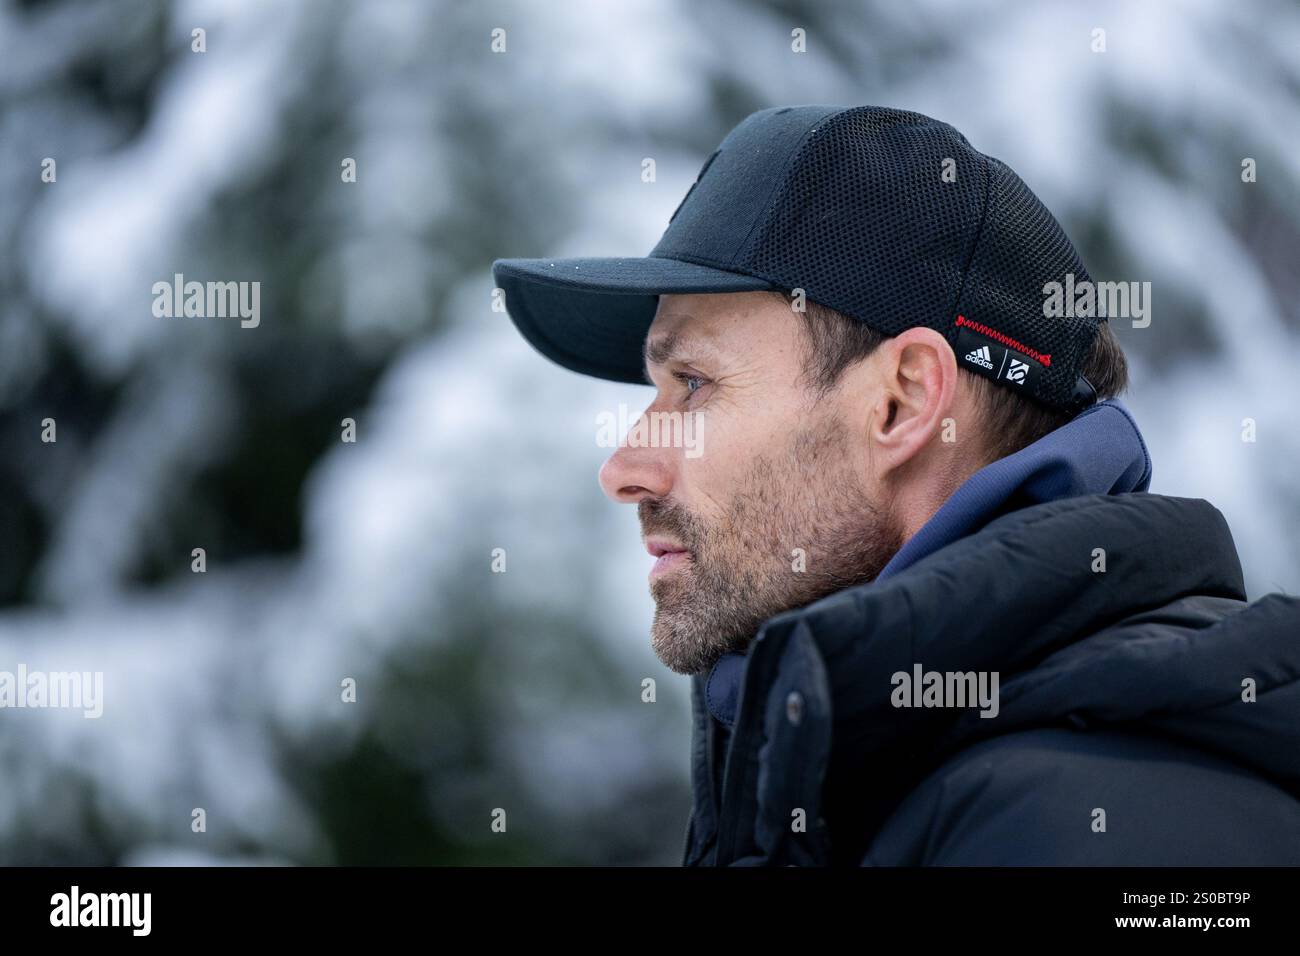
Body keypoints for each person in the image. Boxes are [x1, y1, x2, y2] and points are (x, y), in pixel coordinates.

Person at [493, 106, 1300, 866]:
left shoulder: (1106, 827)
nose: (624, 469)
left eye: (694, 384)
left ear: (903, 402)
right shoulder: (882, 775)